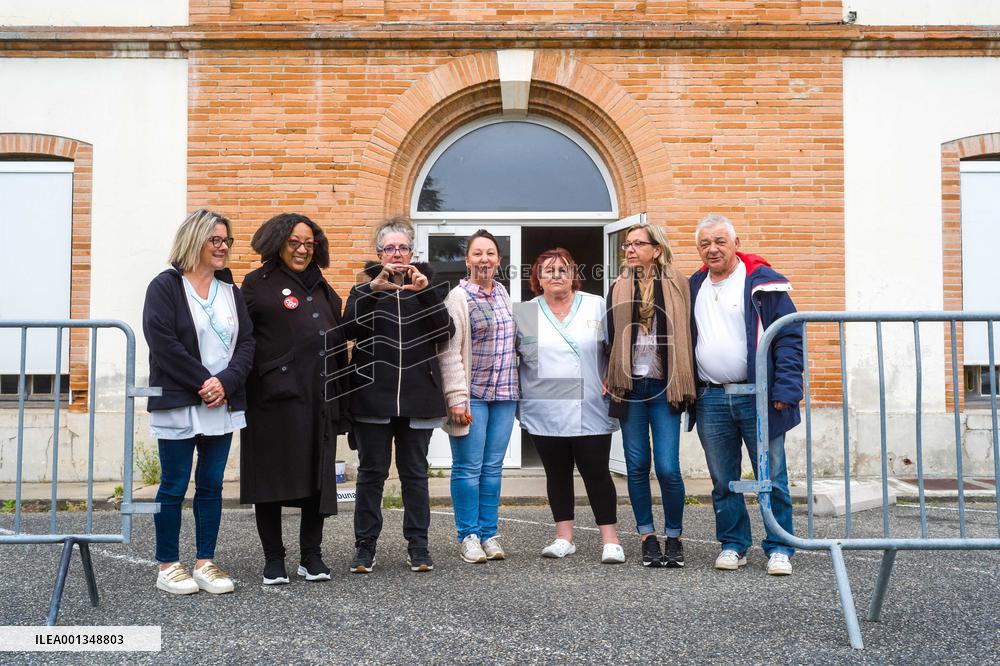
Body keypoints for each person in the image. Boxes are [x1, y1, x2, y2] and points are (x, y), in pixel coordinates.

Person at [142, 209, 254, 595]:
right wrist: (202, 382)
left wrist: (224, 382)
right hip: (180, 401)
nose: (223, 247)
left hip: (220, 402)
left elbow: (247, 343)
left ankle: (206, 561)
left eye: (227, 241)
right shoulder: (165, 286)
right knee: (173, 485)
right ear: (196, 241)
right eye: (216, 240)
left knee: (211, 484)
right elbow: (163, 342)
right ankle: (168, 564)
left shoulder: (229, 290)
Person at [688, 213, 802, 575]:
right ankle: (734, 544)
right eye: (705, 243)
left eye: (720, 241)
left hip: (760, 397)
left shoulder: (763, 284)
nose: (713, 249)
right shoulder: (694, 285)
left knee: (772, 475)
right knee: (723, 479)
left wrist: (786, 388)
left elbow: (789, 337)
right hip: (711, 398)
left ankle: (780, 545)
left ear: (736, 244)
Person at [240, 213, 350, 585]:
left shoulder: (322, 286)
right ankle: (274, 558)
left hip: (319, 398)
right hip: (272, 400)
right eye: (294, 242)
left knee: (316, 479)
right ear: (277, 243)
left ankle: (311, 556)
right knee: (270, 479)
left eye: (309, 243)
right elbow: (243, 341)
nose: (302, 250)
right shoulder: (257, 284)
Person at [343, 216, 454, 573]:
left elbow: (445, 333)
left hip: (419, 398)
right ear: (379, 253)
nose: (396, 253)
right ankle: (365, 548)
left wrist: (423, 293)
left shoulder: (429, 288)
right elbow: (348, 330)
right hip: (373, 397)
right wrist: (373, 292)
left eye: (402, 247)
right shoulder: (363, 291)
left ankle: (419, 547)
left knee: (415, 475)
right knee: (371, 474)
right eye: (389, 248)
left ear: (411, 251)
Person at [515, 248, 624, 564]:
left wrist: (613, 376)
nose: (556, 275)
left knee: (597, 472)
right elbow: (520, 358)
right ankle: (564, 537)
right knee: (557, 474)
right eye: (548, 270)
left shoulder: (596, 305)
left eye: (563, 269)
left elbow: (615, 348)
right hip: (545, 406)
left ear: (574, 274)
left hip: (589, 402)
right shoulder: (526, 312)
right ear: (538, 278)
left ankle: (610, 540)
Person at [605, 221, 696, 568]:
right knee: (637, 464)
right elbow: (611, 338)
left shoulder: (680, 285)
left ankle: (674, 536)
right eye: (626, 245)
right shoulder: (618, 287)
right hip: (631, 387)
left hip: (664, 386)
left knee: (669, 468)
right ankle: (647, 537)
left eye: (636, 244)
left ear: (656, 249)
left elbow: (692, 333)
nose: (628, 250)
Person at [439, 229, 518, 564]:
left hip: (504, 395)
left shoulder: (504, 294)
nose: (484, 259)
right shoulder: (457, 298)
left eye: (490, 253)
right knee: (468, 468)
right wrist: (456, 397)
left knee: (493, 468)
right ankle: (468, 535)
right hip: (473, 397)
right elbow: (448, 351)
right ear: (467, 260)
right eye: (477, 254)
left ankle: (489, 533)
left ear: (498, 260)